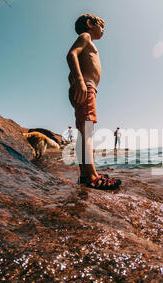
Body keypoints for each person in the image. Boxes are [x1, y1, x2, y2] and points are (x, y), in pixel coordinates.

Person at [67, 14, 121, 190]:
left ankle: (85, 175)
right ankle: (91, 176)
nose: (103, 30)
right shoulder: (85, 37)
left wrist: (74, 83)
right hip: (86, 87)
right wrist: (80, 82)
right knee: (87, 131)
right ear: (90, 24)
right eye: (101, 26)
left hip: (86, 87)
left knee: (84, 131)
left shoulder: (88, 41)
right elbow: (71, 55)